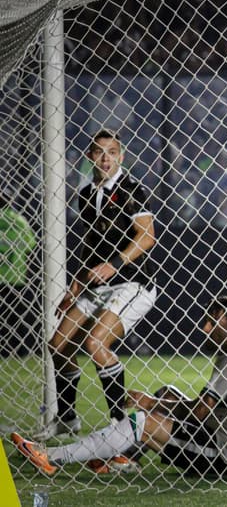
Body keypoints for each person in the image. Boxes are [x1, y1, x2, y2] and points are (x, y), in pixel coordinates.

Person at [12, 295, 227, 478]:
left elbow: (200, 412)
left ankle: (51, 456)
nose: (204, 327)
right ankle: (124, 456)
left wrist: (149, 403)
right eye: (206, 319)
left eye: (213, 323)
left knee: (143, 421)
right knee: (166, 393)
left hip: (224, 457)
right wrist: (158, 400)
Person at [37, 129, 157, 440]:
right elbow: (91, 245)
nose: (106, 158)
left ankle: (122, 429)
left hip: (132, 283)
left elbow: (147, 237)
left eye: (113, 152)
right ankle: (67, 418)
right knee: (58, 345)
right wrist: (77, 283)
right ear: (90, 156)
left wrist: (114, 264)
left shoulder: (133, 190)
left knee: (96, 344)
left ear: (122, 157)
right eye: (100, 152)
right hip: (96, 284)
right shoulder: (87, 194)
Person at [0, 189, 37, 357]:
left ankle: (4, 350)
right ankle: (20, 350)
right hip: (17, 276)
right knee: (17, 317)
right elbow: (30, 246)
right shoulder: (19, 221)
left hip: (1, 275)